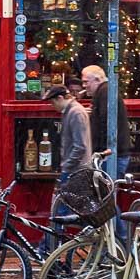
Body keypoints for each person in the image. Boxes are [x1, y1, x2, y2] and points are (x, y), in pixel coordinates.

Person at [82, 65, 132, 239]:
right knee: (104, 199)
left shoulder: (105, 93)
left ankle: (121, 238)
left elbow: (106, 124)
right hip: (113, 154)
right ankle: (112, 241)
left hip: (111, 156)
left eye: (86, 82)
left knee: (104, 200)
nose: (84, 86)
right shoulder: (105, 93)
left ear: (97, 79)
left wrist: (100, 153)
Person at [40, 85, 91, 255]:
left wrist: (67, 168)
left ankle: (49, 250)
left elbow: (80, 147)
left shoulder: (75, 113)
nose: (52, 106)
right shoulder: (72, 112)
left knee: (60, 211)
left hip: (75, 172)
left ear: (60, 98)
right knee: (64, 212)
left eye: (52, 102)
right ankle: (51, 249)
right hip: (74, 171)